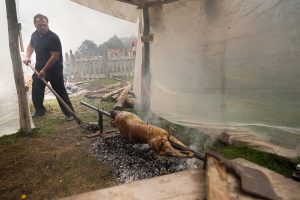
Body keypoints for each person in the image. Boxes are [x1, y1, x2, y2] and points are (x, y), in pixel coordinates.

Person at [23, 14, 74, 121]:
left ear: (47, 24)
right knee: (36, 88)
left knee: (59, 90)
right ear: (35, 24)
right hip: (39, 67)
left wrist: (44, 70)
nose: (42, 27)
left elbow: (55, 56)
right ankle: (40, 111)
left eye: (44, 25)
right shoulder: (34, 35)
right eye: (39, 25)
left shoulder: (53, 37)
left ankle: (70, 113)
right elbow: (30, 46)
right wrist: (27, 56)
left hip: (54, 69)